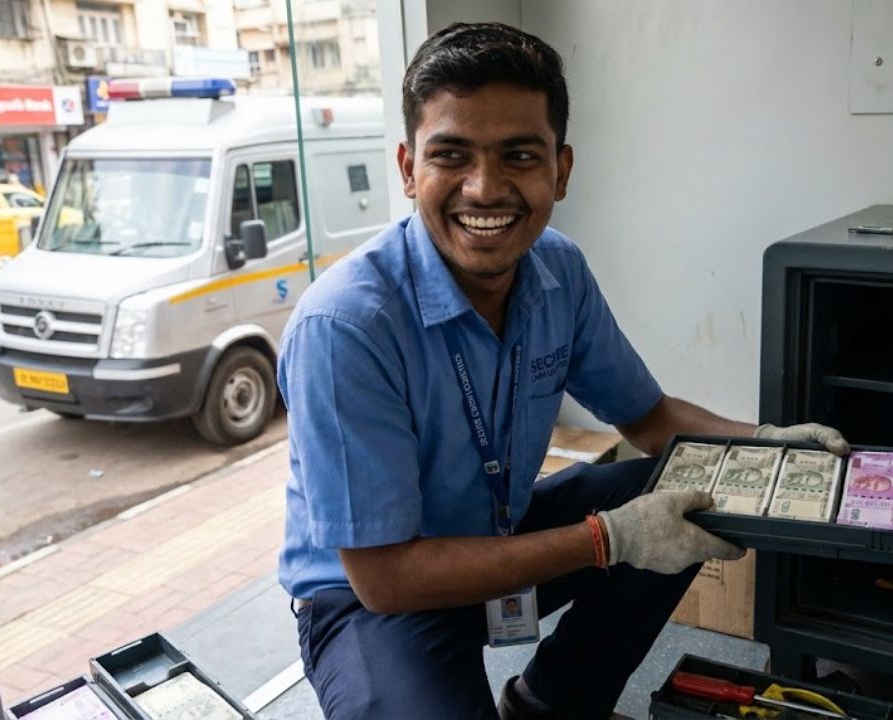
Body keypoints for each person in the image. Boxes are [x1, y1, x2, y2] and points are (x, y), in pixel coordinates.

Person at [278, 22, 849, 720]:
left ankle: (550, 703)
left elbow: (650, 420)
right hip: (371, 599)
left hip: (498, 533)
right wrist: (610, 538)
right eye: (451, 155)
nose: (484, 189)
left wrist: (763, 443)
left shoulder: (559, 270)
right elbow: (386, 577)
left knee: (687, 484)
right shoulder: (345, 326)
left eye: (519, 155)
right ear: (407, 168)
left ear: (562, 169)